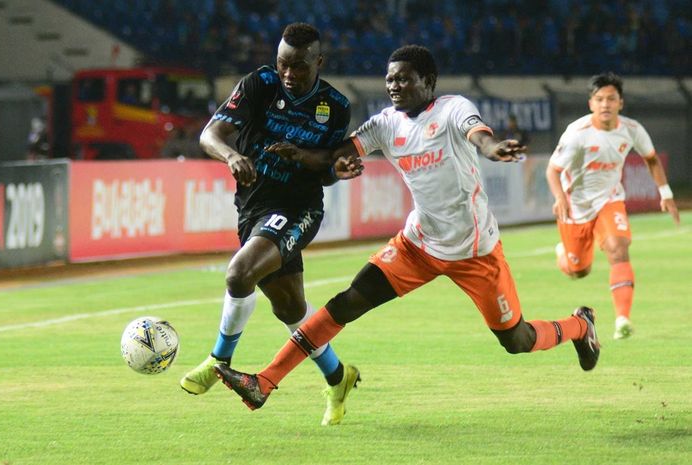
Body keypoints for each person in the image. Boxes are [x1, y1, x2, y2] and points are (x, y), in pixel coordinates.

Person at [211, 45, 601, 417]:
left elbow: (478, 134)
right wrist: (305, 156)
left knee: (517, 341)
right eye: (390, 80)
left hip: (475, 251)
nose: (393, 86)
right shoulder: (385, 124)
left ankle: (580, 325)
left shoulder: (452, 110)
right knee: (347, 302)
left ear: (428, 81)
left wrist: (493, 148)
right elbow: (337, 154)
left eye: (403, 79)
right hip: (418, 245)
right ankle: (264, 381)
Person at [180, 22, 363, 426]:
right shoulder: (260, 84)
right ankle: (339, 378)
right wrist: (230, 156)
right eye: (283, 64)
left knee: (239, 273)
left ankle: (218, 359)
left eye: (299, 67)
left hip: (298, 208)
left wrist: (333, 166)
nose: (289, 75)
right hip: (253, 207)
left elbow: (328, 169)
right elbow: (212, 134)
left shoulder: (334, 105)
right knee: (290, 307)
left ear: (319, 62)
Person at [545, 72, 680, 340]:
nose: (605, 104)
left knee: (619, 249)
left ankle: (622, 320)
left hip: (610, 199)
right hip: (576, 206)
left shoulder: (632, 130)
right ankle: (564, 253)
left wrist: (665, 193)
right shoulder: (577, 134)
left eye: (611, 99)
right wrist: (560, 197)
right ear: (590, 103)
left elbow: (651, 159)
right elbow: (552, 170)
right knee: (578, 271)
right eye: (599, 99)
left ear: (621, 103)